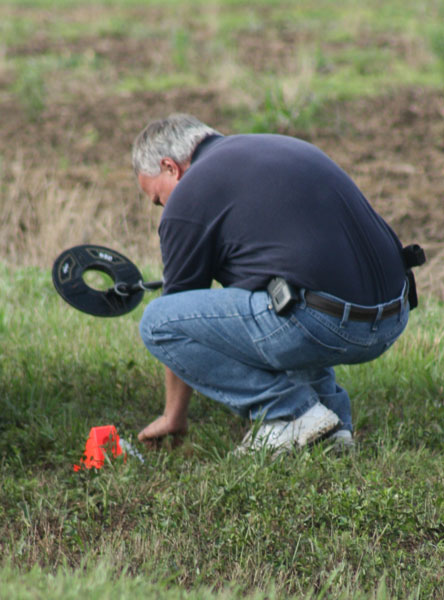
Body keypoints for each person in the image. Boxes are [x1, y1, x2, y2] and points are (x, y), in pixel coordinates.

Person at [131, 113, 410, 454]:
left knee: (158, 321)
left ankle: (287, 414)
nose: (163, 208)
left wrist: (173, 415)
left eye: (158, 198)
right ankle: (331, 426)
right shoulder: (276, 148)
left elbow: (177, 310)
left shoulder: (190, 193)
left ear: (170, 167)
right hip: (393, 316)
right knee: (280, 295)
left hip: (329, 323)